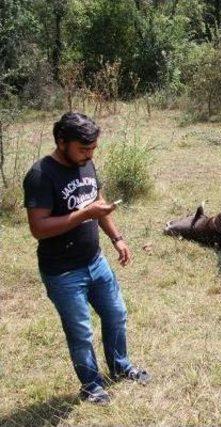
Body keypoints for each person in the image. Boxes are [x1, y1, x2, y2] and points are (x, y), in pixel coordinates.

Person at [23, 112, 149, 405]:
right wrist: (85, 214)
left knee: (117, 314)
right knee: (81, 331)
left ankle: (119, 367)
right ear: (61, 141)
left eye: (92, 149)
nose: (89, 154)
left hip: (95, 261)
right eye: (83, 149)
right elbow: (38, 228)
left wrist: (117, 238)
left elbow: (98, 205)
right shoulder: (41, 174)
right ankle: (91, 385)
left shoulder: (87, 163)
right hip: (63, 273)